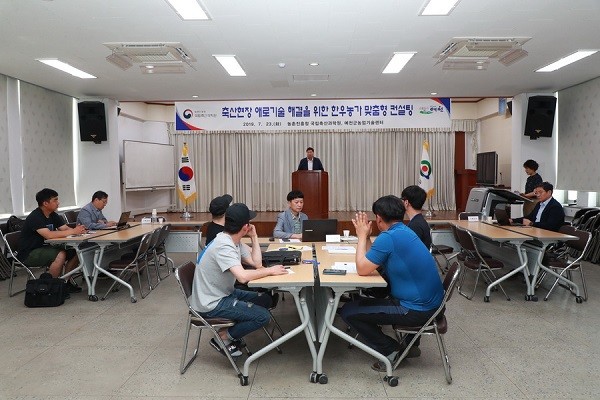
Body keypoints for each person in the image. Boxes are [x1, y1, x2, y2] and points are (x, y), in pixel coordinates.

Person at [340, 195, 444, 372]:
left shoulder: (389, 237)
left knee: (348, 311)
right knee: (362, 304)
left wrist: (361, 236)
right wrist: (367, 238)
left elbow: (362, 268)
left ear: (379, 218)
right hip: (433, 305)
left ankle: (392, 351)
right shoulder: (404, 231)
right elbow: (373, 258)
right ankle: (402, 345)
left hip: (415, 309)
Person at [189, 203, 288, 357]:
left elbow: (257, 264)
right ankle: (224, 336)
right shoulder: (224, 246)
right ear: (245, 227)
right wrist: (270, 270)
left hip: (223, 293)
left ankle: (234, 328)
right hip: (211, 303)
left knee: (266, 300)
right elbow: (242, 277)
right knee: (263, 316)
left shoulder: (232, 240)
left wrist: (254, 237)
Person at [19, 188, 87, 293]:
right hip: (29, 252)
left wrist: (80, 231)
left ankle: (64, 283)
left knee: (76, 251)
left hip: (46, 247)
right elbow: (49, 235)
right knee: (60, 254)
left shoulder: (53, 214)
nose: (58, 203)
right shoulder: (35, 217)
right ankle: (51, 288)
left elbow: (65, 229)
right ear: (45, 203)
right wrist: (73, 231)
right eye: (55, 200)